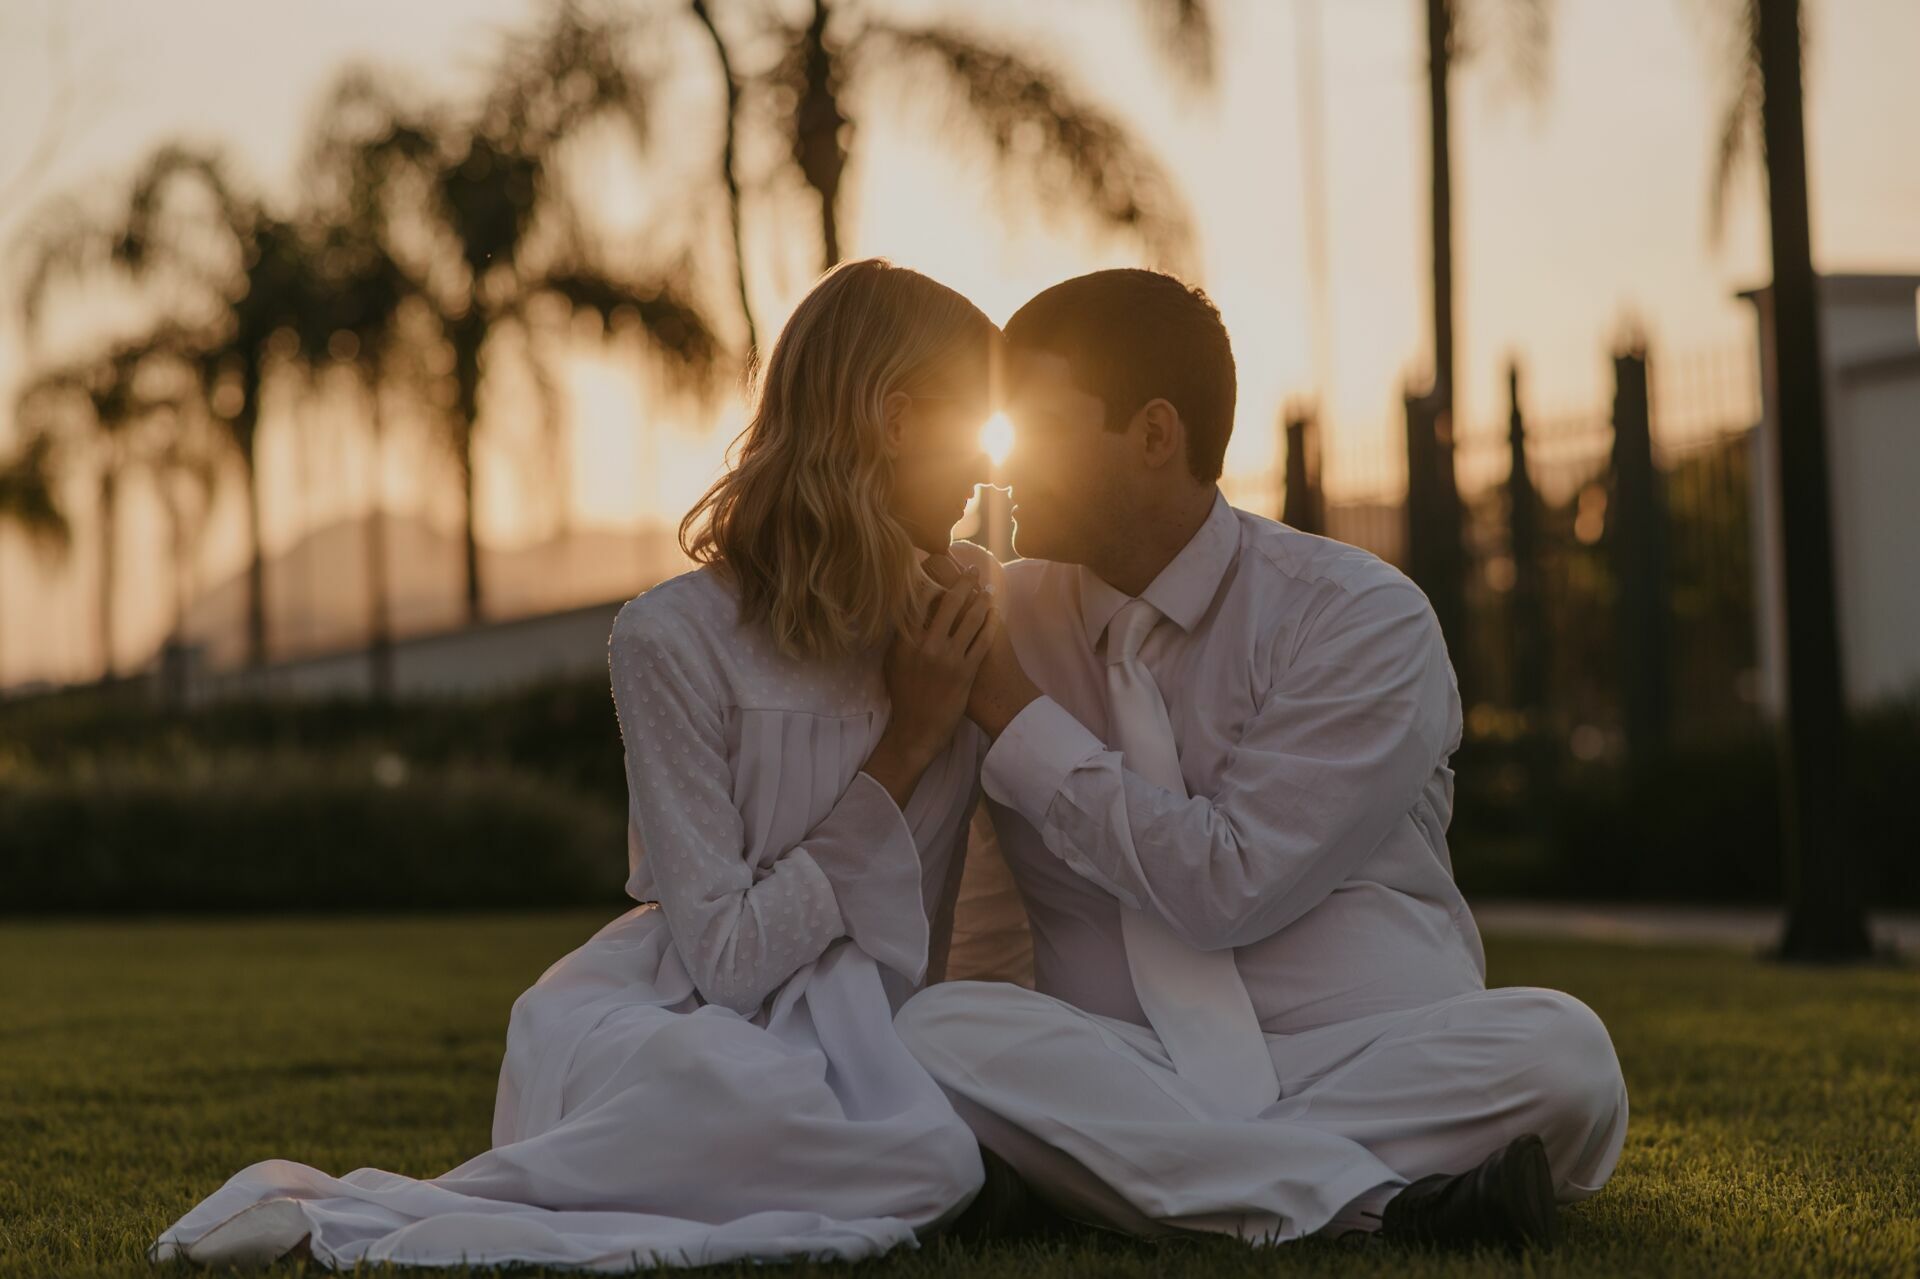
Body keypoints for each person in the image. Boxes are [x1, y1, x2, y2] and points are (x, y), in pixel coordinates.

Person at [153, 260, 1006, 1271]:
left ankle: (354, 1221)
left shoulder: (966, 607)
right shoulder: (673, 636)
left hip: (868, 1031)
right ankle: (340, 1219)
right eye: (973, 428)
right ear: (898, 419)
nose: (987, 471)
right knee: (741, 1088)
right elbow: (727, 961)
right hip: (673, 1015)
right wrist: (907, 744)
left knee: (931, 1157)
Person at [898, 268, 1629, 1251]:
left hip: (1367, 1056)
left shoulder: (1360, 618)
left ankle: (1117, 1175)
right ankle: (1386, 1207)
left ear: (1156, 435)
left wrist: (1012, 711)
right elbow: (983, 908)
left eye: (1036, 426)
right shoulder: (1003, 616)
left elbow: (1228, 884)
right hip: (1127, 1062)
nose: (1001, 467)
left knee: (1566, 1056)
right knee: (935, 1034)